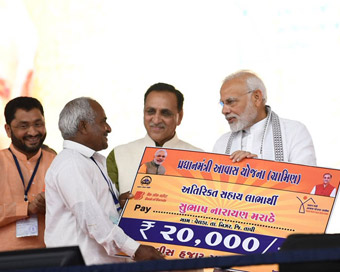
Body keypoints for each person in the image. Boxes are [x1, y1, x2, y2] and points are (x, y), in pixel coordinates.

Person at [44, 97, 164, 265]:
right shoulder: (71, 164)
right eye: (103, 122)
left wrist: (115, 203)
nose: (108, 128)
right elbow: (93, 221)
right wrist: (135, 250)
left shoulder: (95, 160)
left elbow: (97, 210)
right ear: (83, 126)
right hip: (82, 266)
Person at [107, 82, 202, 193]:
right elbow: (104, 204)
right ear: (143, 112)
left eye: (165, 113)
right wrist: (121, 204)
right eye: (150, 111)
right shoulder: (119, 155)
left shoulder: (199, 158)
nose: (156, 120)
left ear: (179, 116)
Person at [213, 70, 316, 165]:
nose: (224, 111)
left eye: (231, 102)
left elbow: (305, 182)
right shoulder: (222, 143)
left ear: (256, 97)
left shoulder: (294, 132)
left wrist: (259, 171)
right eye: (222, 104)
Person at [0, 96, 55, 252]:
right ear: (8, 130)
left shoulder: (58, 163)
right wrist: (26, 208)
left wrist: (52, 205)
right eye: (24, 126)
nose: (33, 132)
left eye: (38, 124)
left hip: (52, 255)